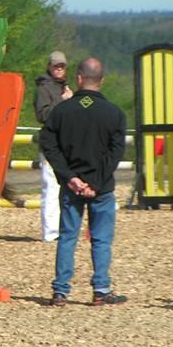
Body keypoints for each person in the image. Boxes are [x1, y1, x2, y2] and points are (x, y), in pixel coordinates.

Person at [39, 58, 128, 307]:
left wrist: (70, 177)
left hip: (71, 187)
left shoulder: (61, 112)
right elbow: (115, 153)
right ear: (102, 80)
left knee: (67, 237)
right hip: (102, 187)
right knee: (100, 239)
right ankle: (101, 290)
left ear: (78, 79)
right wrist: (96, 183)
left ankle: (60, 292)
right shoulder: (115, 114)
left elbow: (48, 144)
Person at [33, 51, 73, 241]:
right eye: (56, 66)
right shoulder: (43, 88)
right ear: (49, 67)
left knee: (66, 187)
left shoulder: (65, 87)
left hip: (66, 143)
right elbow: (42, 115)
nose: (59, 69)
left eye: (62, 66)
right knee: (50, 187)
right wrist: (64, 101)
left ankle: (63, 227)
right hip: (50, 144)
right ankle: (50, 232)